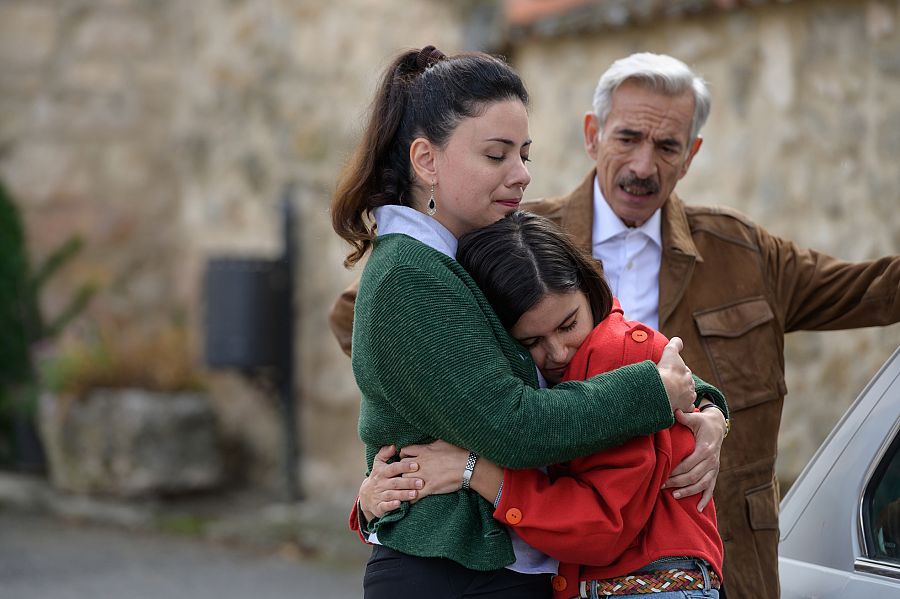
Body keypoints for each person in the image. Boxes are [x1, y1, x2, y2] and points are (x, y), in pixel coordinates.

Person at [329, 51, 900, 599]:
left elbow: (658, 359)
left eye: (667, 144)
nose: (643, 164)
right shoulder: (508, 237)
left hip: (688, 556)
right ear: (593, 135)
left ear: (691, 153)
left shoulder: (740, 251)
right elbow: (426, 360)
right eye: (628, 137)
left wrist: (708, 412)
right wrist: (402, 452)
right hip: (553, 556)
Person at [331, 45, 709, 599]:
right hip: (451, 577)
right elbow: (515, 426)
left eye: (524, 154)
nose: (522, 174)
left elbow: (608, 347)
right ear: (426, 161)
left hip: (498, 571)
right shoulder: (411, 276)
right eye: (497, 155)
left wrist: (706, 407)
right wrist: (655, 391)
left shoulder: (464, 256)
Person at [357, 211, 728, 599]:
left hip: (648, 585)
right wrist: (374, 495)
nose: (557, 352)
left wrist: (473, 471)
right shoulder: (423, 286)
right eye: (530, 342)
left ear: (592, 287)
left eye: (568, 325)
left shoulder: (616, 354)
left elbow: (600, 525)